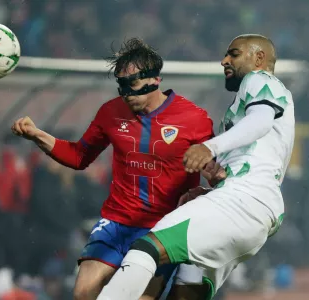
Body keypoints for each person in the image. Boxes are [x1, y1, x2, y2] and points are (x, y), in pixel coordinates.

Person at [11, 38, 223, 300]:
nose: (125, 93)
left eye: (131, 85)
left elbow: (216, 174)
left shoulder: (194, 119)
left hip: (163, 229)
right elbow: (79, 157)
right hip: (116, 222)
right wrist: (37, 135)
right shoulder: (110, 113)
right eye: (120, 85)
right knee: (83, 293)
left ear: (155, 79)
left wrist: (211, 186)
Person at [97, 34, 295, 300]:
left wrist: (210, 148)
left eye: (234, 54)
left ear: (259, 58)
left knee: (147, 248)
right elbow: (253, 153)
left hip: (244, 200)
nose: (224, 60)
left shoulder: (259, 80)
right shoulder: (255, 106)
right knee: (188, 291)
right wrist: (213, 190)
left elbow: (260, 121)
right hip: (255, 213)